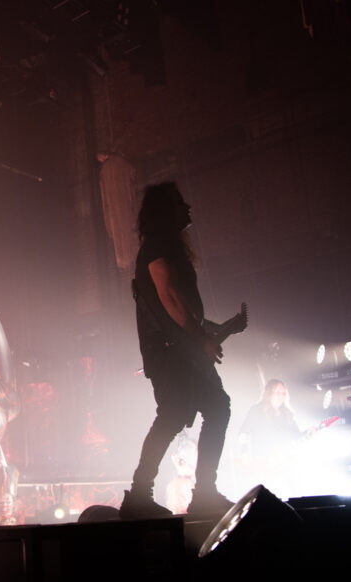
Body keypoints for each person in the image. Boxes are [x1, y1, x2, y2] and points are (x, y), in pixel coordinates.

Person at [120, 182, 242, 518]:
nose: (187, 207)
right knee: (180, 414)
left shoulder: (162, 247)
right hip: (173, 352)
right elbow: (170, 298)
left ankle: (194, 493)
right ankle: (145, 495)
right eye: (179, 203)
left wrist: (215, 330)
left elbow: (179, 305)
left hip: (181, 350)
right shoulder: (157, 248)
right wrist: (201, 339)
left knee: (212, 408)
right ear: (164, 211)